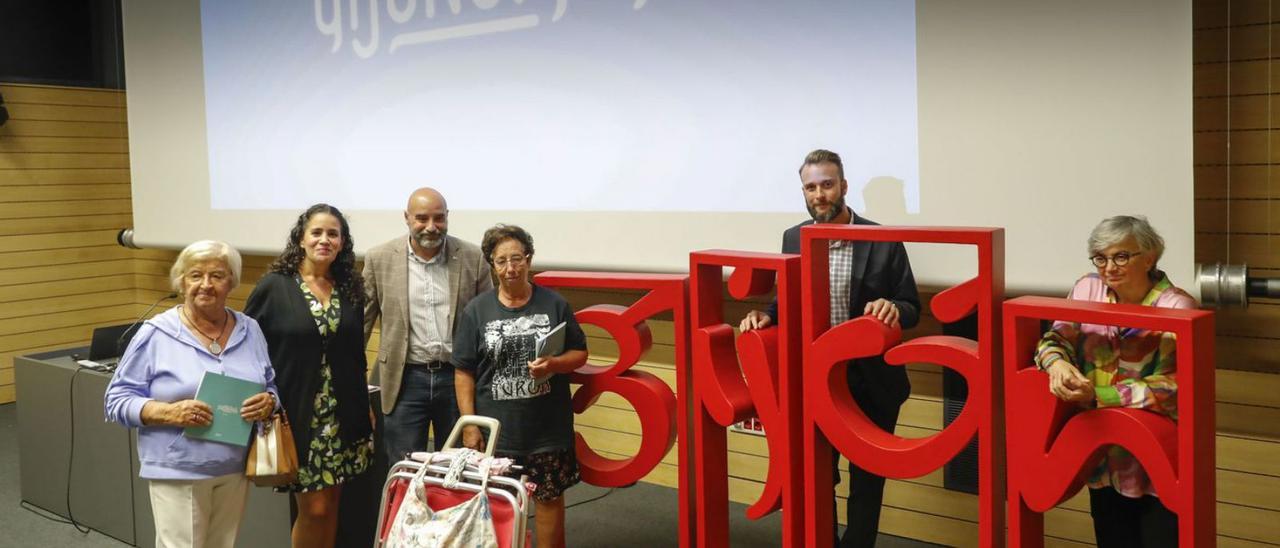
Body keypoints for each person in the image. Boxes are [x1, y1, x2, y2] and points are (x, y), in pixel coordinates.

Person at [740, 149, 920, 548]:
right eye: (811, 187)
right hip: (816, 380)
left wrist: (894, 307)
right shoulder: (793, 237)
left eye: (827, 184)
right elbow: (788, 299)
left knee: (868, 483)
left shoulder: (882, 238)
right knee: (819, 474)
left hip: (872, 382)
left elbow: (912, 308)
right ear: (803, 192)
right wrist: (769, 315)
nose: (819, 194)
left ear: (843, 187)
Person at [105, 240, 278, 548]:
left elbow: (270, 384)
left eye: (217, 275)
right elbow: (117, 400)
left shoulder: (250, 329)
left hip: (235, 466)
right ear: (181, 283)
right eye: (195, 275)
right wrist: (170, 412)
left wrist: (269, 401)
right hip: (178, 467)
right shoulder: (156, 333)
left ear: (232, 283)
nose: (206, 285)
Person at [1035, 215, 1195, 548]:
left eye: (1122, 256)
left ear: (1149, 257)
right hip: (1100, 453)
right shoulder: (1087, 287)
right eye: (1101, 258)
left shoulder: (1176, 306)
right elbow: (1054, 338)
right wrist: (1058, 364)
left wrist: (1100, 395)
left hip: (1158, 460)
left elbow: (1173, 388)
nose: (1109, 267)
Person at [245, 204, 374, 548]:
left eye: (333, 233)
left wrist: (365, 405)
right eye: (316, 232)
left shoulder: (349, 285)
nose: (324, 240)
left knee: (331, 505)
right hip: (299, 413)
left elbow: (354, 354)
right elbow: (248, 346)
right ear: (301, 238)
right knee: (313, 508)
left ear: (343, 242)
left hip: (344, 413)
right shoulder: (275, 286)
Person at [452, 224, 588, 548]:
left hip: (547, 430)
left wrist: (554, 365)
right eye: (501, 261)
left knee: (549, 502)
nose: (510, 268)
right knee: (499, 507)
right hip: (498, 432)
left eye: (517, 258)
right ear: (492, 265)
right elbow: (463, 373)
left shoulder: (554, 304)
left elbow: (580, 352)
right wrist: (470, 428)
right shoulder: (476, 311)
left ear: (529, 259)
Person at [363, 187, 492, 459]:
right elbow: (360, 326)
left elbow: (488, 324)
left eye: (439, 218)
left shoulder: (472, 257)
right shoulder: (379, 259)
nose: (431, 227)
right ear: (407, 217)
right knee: (404, 467)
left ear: (447, 217)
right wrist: (354, 385)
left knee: (460, 468)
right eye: (422, 218)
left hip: (457, 378)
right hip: (404, 380)